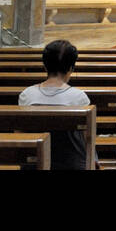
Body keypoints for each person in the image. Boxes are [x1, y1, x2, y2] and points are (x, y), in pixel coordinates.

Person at [18, 39, 92, 170]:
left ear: (45, 66)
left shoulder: (26, 95)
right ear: (71, 68)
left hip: (34, 164)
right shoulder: (79, 97)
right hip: (70, 164)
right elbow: (87, 139)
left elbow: (20, 133)